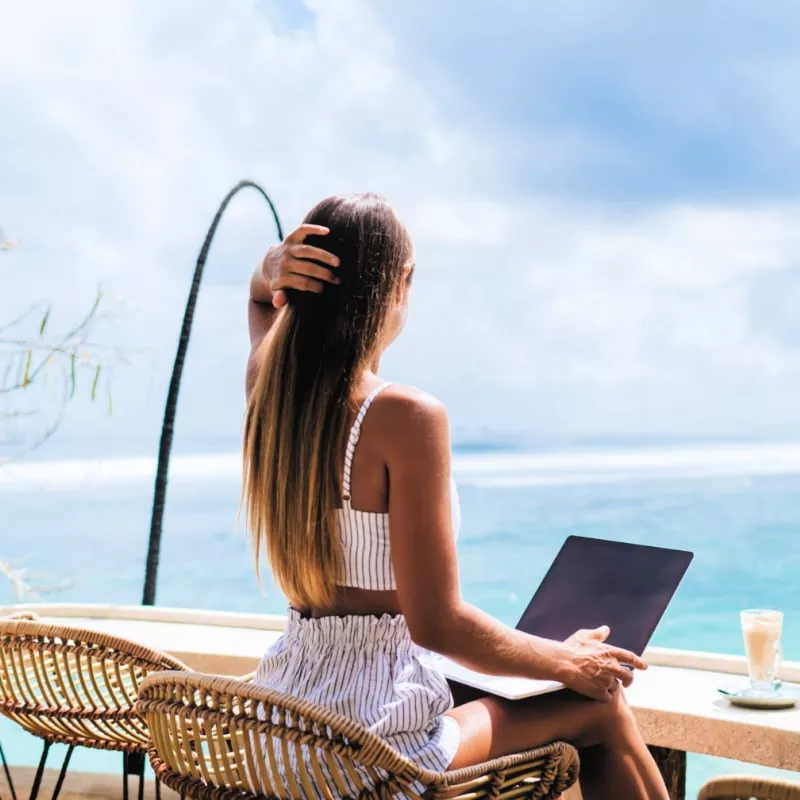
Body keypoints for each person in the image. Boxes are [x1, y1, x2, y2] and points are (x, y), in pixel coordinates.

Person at [243, 193, 669, 800]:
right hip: (370, 747)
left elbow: (262, 300)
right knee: (599, 706)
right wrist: (566, 660)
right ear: (400, 283)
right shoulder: (403, 415)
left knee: (516, 689)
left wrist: (271, 266)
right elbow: (438, 623)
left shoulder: (270, 393)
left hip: (284, 726)